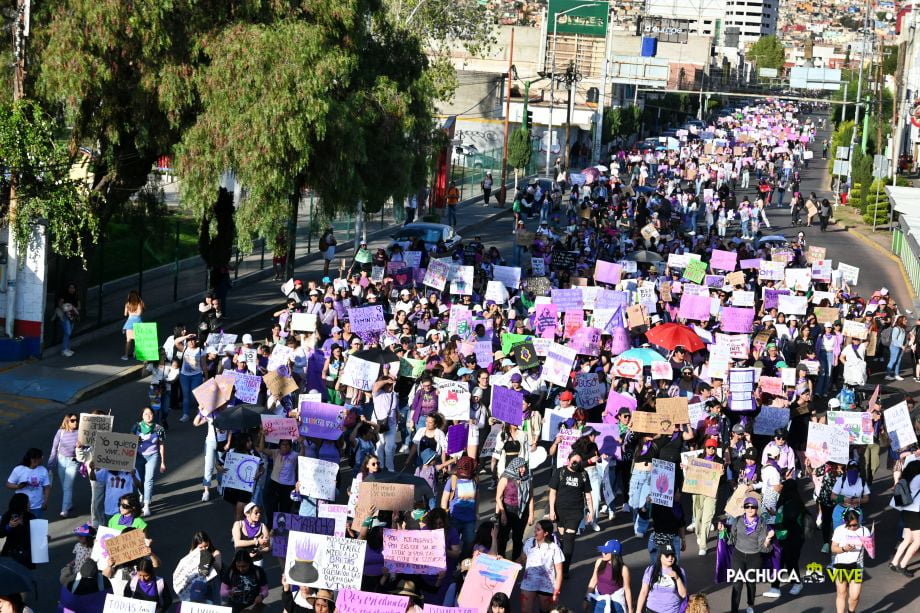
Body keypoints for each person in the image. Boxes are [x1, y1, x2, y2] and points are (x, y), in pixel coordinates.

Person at [720, 497, 774, 613]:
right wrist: (722, 531)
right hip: (738, 556)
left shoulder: (761, 524)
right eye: (747, 506)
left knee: (751, 583)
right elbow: (730, 540)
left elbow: (763, 548)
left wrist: (768, 539)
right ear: (744, 508)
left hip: (754, 558)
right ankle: (734, 610)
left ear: (756, 508)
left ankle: (750, 605)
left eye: (753, 506)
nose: (750, 509)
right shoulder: (738, 520)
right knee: (737, 584)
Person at [549, 451, 594, 578]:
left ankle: (564, 570)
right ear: (568, 461)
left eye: (579, 462)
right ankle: (559, 564)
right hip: (560, 511)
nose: (576, 464)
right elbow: (552, 492)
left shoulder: (583, 474)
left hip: (575, 513)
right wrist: (552, 510)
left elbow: (588, 494)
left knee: (569, 540)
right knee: (562, 540)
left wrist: (591, 510)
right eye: (574, 461)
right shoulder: (560, 472)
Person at [517, 519, 565, 613]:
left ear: (546, 533)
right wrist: (505, 564)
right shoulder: (529, 542)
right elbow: (521, 559)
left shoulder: (554, 548)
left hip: (546, 586)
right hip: (528, 584)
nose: (535, 531)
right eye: (535, 529)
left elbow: (559, 571)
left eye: (538, 529)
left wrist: (556, 590)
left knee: (545, 611)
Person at [496, 456, 534, 560]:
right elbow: (498, 497)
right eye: (520, 467)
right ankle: (501, 559)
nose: (523, 470)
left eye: (524, 467)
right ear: (514, 467)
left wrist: (531, 514)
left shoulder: (527, 479)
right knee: (503, 537)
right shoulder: (505, 478)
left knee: (518, 538)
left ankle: (516, 562)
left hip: (522, 511)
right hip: (508, 510)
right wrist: (502, 514)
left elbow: (530, 497)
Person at [831, 509, 869, 613]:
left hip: (857, 567)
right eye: (849, 525)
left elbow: (870, 549)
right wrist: (844, 549)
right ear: (845, 522)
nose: (852, 527)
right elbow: (833, 548)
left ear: (859, 520)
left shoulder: (864, 531)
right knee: (841, 593)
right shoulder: (839, 530)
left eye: (855, 525)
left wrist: (869, 544)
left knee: (855, 596)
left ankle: (851, 611)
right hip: (840, 566)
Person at [131, 407, 167, 517]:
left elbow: (161, 445)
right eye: (146, 414)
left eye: (150, 413)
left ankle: (146, 505)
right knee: (140, 480)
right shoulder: (136, 427)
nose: (148, 416)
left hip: (153, 455)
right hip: (139, 456)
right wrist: (135, 440)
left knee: (149, 480)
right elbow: (129, 441)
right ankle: (142, 494)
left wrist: (163, 462)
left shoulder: (159, 428)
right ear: (142, 416)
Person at [634, 544, 687, 613]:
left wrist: (677, 578)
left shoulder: (680, 571)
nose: (670, 558)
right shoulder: (651, 570)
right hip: (652, 610)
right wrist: (638, 611)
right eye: (667, 555)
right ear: (660, 556)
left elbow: (683, 594)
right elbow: (643, 592)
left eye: (672, 555)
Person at [890, 457, 920, 576]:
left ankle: (894, 562)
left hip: (906, 511)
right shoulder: (918, 478)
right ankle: (902, 565)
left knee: (908, 538)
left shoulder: (906, 479)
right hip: (915, 513)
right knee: (917, 541)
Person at [173, 530, 222, 603]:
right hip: (198, 586)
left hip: (211, 584)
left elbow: (218, 568)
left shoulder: (215, 552)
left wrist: (210, 559)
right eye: (201, 547)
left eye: (206, 546)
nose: (204, 549)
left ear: (209, 542)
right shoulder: (192, 554)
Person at [586, 539, 632, 613]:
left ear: (614, 554)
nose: (603, 553)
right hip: (599, 600)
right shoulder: (599, 562)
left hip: (616, 603)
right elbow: (594, 580)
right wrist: (587, 598)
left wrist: (630, 609)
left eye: (606, 552)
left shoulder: (624, 569)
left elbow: (627, 589)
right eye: (603, 550)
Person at [49, 413, 80, 518]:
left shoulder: (80, 433)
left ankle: (64, 510)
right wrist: (50, 465)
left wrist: (80, 447)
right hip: (61, 460)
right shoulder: (60, 432)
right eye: (72, 420)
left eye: (76, 420)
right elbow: (54, 448)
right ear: (67, 421)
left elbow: (86, 448)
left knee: (67, 486)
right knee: (64, 485)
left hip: (73, 462)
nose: (75, 422)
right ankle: (69, 504)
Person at [5, 448, 51, 518]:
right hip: (20, 507)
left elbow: (47, 487)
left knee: (36, 528)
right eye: (40, 457)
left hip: (37, 507)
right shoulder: (19, 469)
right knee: (20, 527)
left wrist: (45, 501)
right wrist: (18, 487)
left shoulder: (43, 470)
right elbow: (8, 484)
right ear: (33, 459)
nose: (41, 459)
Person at [0, 493, 35, 569]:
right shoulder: (8, 516)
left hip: (27, 553)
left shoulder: (31, 517)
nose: (30, 504)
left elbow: (36, 534)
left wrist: (44, 538)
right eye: (28, 502)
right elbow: (1, 534)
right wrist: (9, 526)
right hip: (11, 552)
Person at [231, 502, 271, 567]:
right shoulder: (238, 525)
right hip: (241, 561)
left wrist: (259, 551)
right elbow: (237, 543)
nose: (259, 514)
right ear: (247, 513)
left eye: (259, 512)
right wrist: (256, 541)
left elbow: (267, 547)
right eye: (256, 513)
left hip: (256, 560)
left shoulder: (262, 526)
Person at [178, 334, 206, 422]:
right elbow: (176, 342)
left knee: (197, 395)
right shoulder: (184, 349)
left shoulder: (200, 351)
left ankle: (201, 413)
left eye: (193, 340)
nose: (191, 342)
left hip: (196, 375)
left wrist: (206, 377)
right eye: (189, 340)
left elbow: (204, 365)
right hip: (184, 376)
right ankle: (185, 414)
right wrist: (186, 337)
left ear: (196, 341)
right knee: (186, 396)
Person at [55, 282, 80, 357]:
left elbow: (79, 306)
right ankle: (64, 350)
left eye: (73, 288)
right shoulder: (64, 295)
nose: (72, 289)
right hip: (65, 316)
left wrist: (73, 308)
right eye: (70, 287)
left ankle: (67, 348)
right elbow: (60, 304)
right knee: (67, 333)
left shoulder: (76, 296)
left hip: (72, 317)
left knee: (68, 333)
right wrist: (66, 308)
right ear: (67, 288)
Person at [122, 290, 145, 360]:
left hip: (129, 323)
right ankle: (137, 354)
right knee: (138, 340)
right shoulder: (139, 303)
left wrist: (130, 313)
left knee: (128, 340)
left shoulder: (127, 304)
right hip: (138, 323)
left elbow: (125, 314)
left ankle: (125, 355)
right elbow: (139, 314)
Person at [886, 315, 908, 380]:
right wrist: (901, 346)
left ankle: (896, 375)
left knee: (898, 361)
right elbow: (894, 339)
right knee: (893, 360)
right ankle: (887, 375)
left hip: (900, 347)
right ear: (901, 321)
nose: (906, 321)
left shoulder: (903, 328)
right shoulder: (896, 328)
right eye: (905, 320)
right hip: (894, 347)